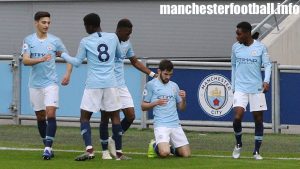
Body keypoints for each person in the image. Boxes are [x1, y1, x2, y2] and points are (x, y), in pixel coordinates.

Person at [56, 13, 127, 161]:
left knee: (84, 117)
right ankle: (119, 153)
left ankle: (89, 150)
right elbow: (120, 55)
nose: (85, 28)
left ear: (90, 25)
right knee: (115, 117)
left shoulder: (86, 41)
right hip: (111, 83)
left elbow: (76, 62)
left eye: (85, 26)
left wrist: (62, 54)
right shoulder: (113, 37)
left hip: (93, 84)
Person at [101, 18, 157, 158]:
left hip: (121, 85)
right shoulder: (108, 40)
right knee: (106, 118)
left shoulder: (127, 44)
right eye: (127, 33)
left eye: (130, 34)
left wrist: (152, 73)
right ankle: (105, 151)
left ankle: (113, 140)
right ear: (119, 30)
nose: (129, 36)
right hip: (107, 85)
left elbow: (134, 61)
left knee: (131, 116)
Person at [21, 11, 72, 160]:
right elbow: (25, 60)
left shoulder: (55, 41)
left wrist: (68, 74)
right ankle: (47, 144)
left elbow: (68, 58)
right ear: (36, 23)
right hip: (34, 84)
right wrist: (41, 59)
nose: (46, 25)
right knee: (40, 117)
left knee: (50, 113)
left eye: (48, 22)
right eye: (44, 22)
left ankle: (48, 148)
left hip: (51, 83)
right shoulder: (28, 40)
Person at [231, 21, 272, 160]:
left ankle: (256, 151)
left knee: (258, 119)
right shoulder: (235, 47)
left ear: (247, 33)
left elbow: (267, 65)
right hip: (240, 88)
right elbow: (233, 66)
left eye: (239, 33)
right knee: (237, 118)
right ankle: (238, 144)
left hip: (256, 89)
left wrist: (266, 81)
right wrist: (233, 86)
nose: (237, 36)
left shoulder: (261, 47)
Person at [141, 59, 191, 158]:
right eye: (166, 74)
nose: (168, 77)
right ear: (159, 71)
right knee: (164, 153)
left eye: (170, 75)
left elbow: (182, 108)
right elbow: (143, 107)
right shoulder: (151, 85)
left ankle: (171, 148)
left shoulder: (174, 86)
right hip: (161, 124)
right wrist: (156, 102)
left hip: (175, 124)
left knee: (186, 154)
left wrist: (184, 99)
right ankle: (155, 145)